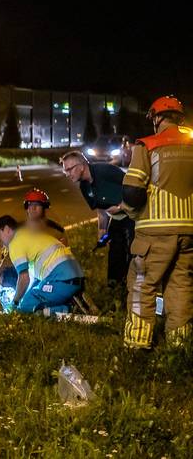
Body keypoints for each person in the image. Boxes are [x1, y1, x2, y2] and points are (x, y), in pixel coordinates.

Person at [120, 95, 193, 348]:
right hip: (188, 231)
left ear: (157, 118)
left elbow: (132, 190)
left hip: (154, 232)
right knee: (181, 285)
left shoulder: (147, 145)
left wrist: (130, 213)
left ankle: (137, 344)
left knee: (142, 284)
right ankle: (179, 344)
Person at [60, 150, 133, 287]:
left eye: (69, 169)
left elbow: (134, 186)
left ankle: (132, 288)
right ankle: (115, 289)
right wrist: (102, 228)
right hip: (116, 218)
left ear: (81, 166)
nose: (68, 174)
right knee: (115, 255)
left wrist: (122, 206)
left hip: (133, 215)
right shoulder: (84, 186)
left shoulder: (106, 171)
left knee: (132, 253)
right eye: (65, 171)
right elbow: (100, 207)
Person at [0, 215, 85, 314]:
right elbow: (33, 281)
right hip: (77, 278)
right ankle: (69, 300)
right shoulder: (29, 233)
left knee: (25, 307)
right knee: (31, 295)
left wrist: (15, 302)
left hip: (61, 281)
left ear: (7, 229)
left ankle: (68, 309)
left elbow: (24, 278)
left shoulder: (15, 243)